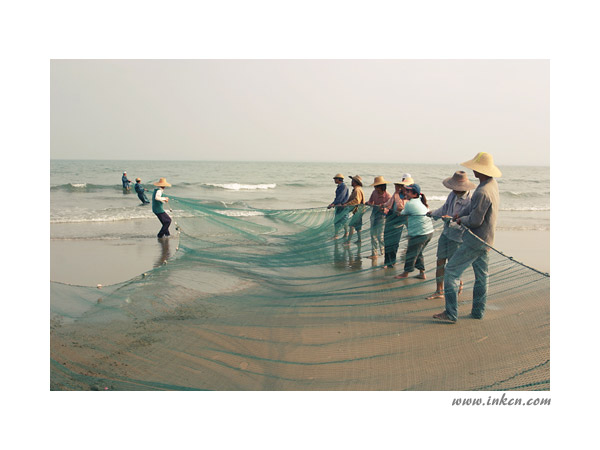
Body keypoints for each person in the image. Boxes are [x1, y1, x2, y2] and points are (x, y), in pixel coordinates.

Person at [433, 152, 501, 323]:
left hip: (475, 240)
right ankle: (478, 312)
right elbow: (472, 208)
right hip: (487, 240)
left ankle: (451, 313)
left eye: (475, 168)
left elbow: (475, 220)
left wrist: (461, 219)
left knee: (451, 272)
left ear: (481, 170)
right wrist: (460, 214)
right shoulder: (492, 185)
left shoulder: (482, 191)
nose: (472, 171)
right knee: (482, 276)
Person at [425, 171, 474, 299]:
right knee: (440, 261)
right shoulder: (452, 195)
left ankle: (458, 285)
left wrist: (451, 220)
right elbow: (444, 208)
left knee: (452, 265)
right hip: (446, 233)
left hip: (458, 237)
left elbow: (468, 221)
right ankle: (439, 291)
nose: (454, 190)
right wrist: (433, 213)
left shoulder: (470, 201)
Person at [395, 183, 434, 279]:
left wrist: (399, 210)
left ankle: (405, 273)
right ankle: (422, 273)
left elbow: (402, 213)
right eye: (406, 191)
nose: (406, 193)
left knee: (411, 253)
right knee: (418, 252)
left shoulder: (410, 204)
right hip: (428, 232)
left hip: (419, 234)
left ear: (415, 194)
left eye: (408, 191)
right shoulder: (421, 202)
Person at [381, 176, 413, 268]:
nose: (402, 188)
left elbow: (401, 208)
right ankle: (387, 262)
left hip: (399, 221)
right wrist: (382, 206)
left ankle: (393, 261)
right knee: (387, 241)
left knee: (395, 242)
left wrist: (396, 194)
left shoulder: (408, 197)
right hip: (390, 219)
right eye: (401, 186)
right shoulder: (396, 195)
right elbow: (388, 204)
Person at [366, 176, 392, 259]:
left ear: (381, 186)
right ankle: (374, 254)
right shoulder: (374, 193)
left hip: (382, 217)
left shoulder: (388, 196)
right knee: (373, 235)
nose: (375, 188)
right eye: (375, 186)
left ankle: (383, 252)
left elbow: (390, 208)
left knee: (380, 236)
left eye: (376, 186)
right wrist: (366, 203)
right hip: (374, 215)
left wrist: (384, 209)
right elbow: (370, 201)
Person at [342, 175, 365, 246]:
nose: (351, 182)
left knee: (351, 225)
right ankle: (359, 240)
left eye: (352, 181)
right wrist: (346, 203)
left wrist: (346, 204)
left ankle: (348, 242)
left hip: (358, 211)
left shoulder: (357, 190)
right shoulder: (357, 189)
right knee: (358, 226)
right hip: (359, 211)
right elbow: (351, 198)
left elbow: (356, 200)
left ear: (355, 182)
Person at [327, 173, 350, 239]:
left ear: (339, 179)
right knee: (337, 221)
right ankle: (336, 235)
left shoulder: (343, 186)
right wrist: (333, 203)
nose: (334, 180)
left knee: (344, 220)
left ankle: (345, 233)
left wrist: (333, 204)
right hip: (339, 206)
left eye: (335, 179)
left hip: (343, 206)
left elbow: (341, 197)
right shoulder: (339, 186)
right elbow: (337, 198)